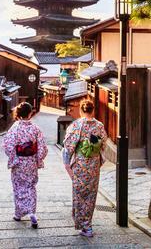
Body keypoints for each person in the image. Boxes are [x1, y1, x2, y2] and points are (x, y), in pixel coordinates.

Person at [62, 100, 106, 237]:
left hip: (81, 164)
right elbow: (103, 144)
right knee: (91, 195)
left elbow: (68, 146)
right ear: (93, 111)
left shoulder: (76, 125)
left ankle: (84, 225)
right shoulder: (99, 125)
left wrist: (67, 162)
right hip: (94, 164)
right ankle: (88, 224)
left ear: (81, 110)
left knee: (79, 193)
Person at [2, 102, 48, 228]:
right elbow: (42, 147)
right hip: (31, 161)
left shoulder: (15, 128)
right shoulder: (35, 128)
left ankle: (18, 213)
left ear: (18, 113)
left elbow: (8, 145)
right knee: (31, 186)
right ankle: (32, 212)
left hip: (19, 162)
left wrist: (14, 157)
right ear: (30, 113)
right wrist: (38, 159)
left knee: (18, 186)